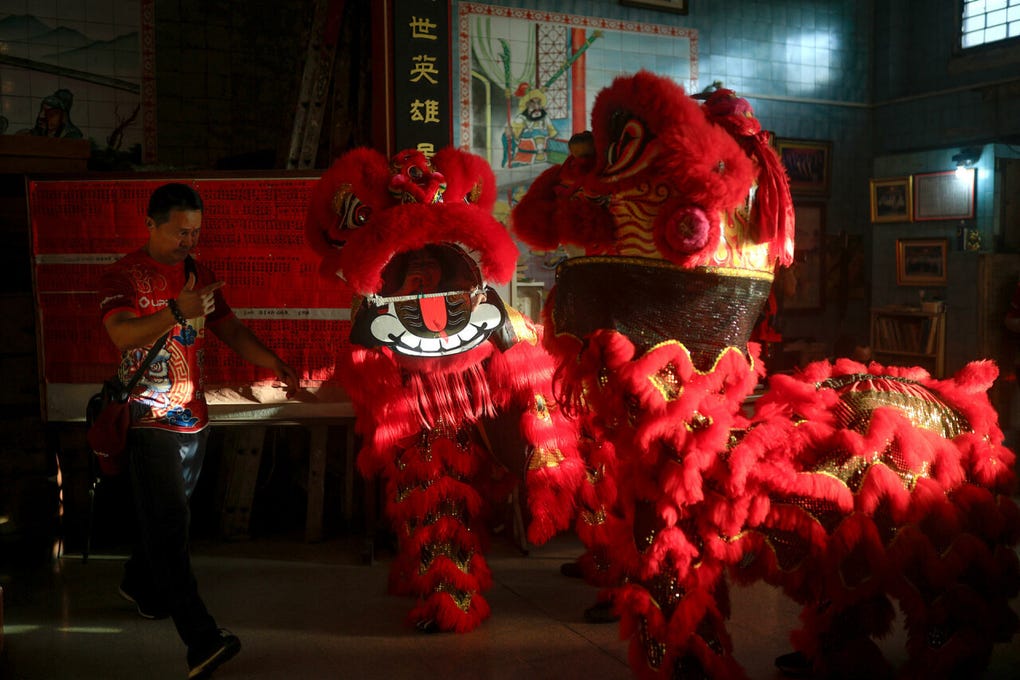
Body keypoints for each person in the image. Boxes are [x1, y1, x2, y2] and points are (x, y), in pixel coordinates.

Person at [98, 183, 299, 679]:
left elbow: (227, 327)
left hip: (193, 417)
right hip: (147, 419)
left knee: (172, 517)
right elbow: (121, 333)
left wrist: (272, 362)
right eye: (179, 231)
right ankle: (202, 641)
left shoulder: (198, 272)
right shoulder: (124, 273)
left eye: (195, 232)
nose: (188, 241)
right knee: (171, 528)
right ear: (150, 224)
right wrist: (173, 312)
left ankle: (139, 583)